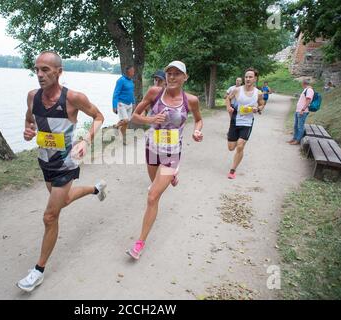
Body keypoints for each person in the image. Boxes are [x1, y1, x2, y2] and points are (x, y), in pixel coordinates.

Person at [17, 51, 107, 292]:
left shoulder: (73, 98)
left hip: (67, 163)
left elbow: (99, 116)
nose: (39, 74)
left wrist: (86, 140)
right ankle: (95, 189)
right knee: (63, 201)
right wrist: (27, 131)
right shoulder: (32, 97)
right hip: (45, 162)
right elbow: (29, 121)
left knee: (50, 216)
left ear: (58, 72)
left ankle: (38, 271)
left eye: (45, 70)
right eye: (37, 69)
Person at [126, 60, 203, 260]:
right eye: (169, 73)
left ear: (185, 77)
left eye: (177, 73)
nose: (172, 76)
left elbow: (199, 119)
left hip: (172, 154)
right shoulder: (154, 93)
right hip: (152, 149)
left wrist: (197, 130)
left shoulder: (191, 100)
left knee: (152, 196)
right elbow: (135, 116)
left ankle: (139, 243)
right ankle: (170, 178)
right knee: (154, 186)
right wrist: (150, 120)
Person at [225, 68, 265, 179]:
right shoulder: (237, 90)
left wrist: (258, 108)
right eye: (246, 77)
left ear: (255, 79)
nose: (247, 79)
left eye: (250, 77)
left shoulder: (258, 93)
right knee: (231, 147)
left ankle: (232, 170)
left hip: (247, 122)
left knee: (240, 146)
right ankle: (236, 143)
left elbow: (262, 104)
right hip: (235, 120)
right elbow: (227, 98)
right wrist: (228, 107)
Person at [112, 66, 135, 144]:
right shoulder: (120, 80)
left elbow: (131, 93)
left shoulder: (131, 81)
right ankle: (116, 126)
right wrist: (114, 106)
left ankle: (124, 140)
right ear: (128, 71)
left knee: (126, 123)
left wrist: (134, 102)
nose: (134, 72)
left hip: (130, 104)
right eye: (132, 71)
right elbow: (116, 93)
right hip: (121, 103)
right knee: (126, 120)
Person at [288, 79, 314, 145]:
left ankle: (298, 140)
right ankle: (294, 138)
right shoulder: (306, 89)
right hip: (298, 111)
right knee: (295, 126)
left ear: (303, 83)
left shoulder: (309, 90)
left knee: (300, 126)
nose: (301, 84)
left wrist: (302, 110)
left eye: (302, 83)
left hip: (303, 111)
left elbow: (308, 100)